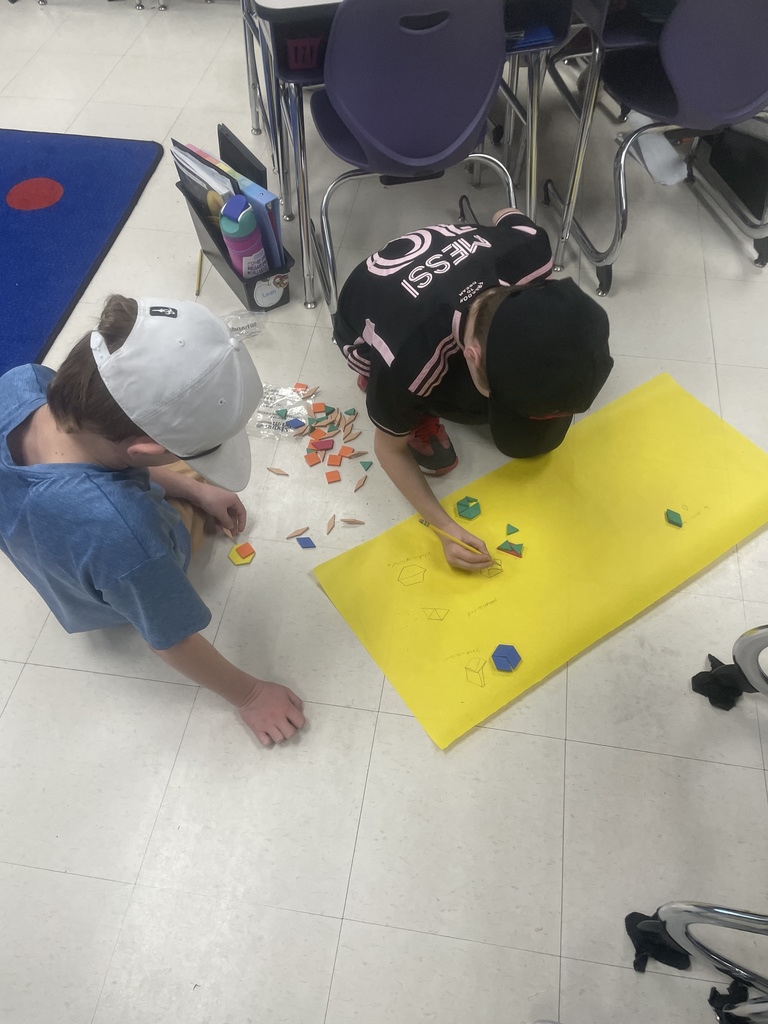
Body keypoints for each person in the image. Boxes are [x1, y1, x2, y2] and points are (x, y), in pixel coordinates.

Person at [0, 296, 305, 747]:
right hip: (109, 569)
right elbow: (171, 639)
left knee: (168, 480)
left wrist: (197, 487)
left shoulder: (22, 381)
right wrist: (252, 695)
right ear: (143, 452)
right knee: (157, 547)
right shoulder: (126, 532)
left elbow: (103, 448)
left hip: (53, 546)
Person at [333, 207, 613, 572]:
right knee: (420, 393)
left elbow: (506, 214)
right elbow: (387, 450)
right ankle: (406, 409)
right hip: (368, 321)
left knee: (491, 406)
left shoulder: (530, 251)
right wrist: (445, 528)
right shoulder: (408, 354)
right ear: (473, 355)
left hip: (452, 285)